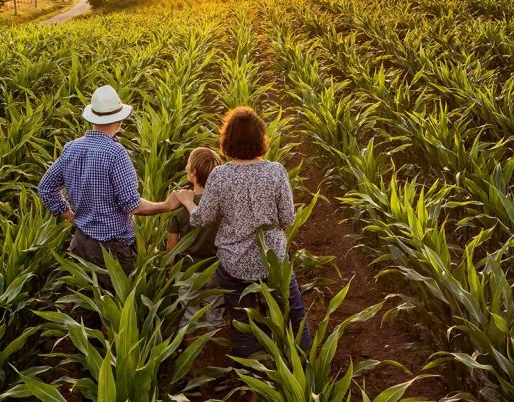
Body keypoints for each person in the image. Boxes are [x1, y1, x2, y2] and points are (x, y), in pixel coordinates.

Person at [175, 107, 312, 357]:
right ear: (261, 139)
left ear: (227, 141)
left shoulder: (220, 175)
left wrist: (187, 202)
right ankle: (303, 366)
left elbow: (202, 219)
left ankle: (248, 373)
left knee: (241, 321)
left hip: (234, 265)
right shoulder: (276, 171)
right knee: (295, 312)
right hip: (273, 262)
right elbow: (288, 219)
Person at [38, 85, 180, 282]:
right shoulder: (116, 154)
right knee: (116, 306)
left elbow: (45, 188)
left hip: (80, 242)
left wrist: (70, 216)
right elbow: (133, 205)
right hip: (111, 251)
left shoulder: (71, 148)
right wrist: (166, 206)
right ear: (118, 120)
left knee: (85, 306)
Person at [167, 147, 225, 329]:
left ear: (192, 173)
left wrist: (170, 270)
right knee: (215, 312)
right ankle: (215, 348)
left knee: (188, 315)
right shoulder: (221, 204)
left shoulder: (179, 208)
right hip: (215, 269)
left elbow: (172, 246)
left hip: (188, 271)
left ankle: (193, 352)